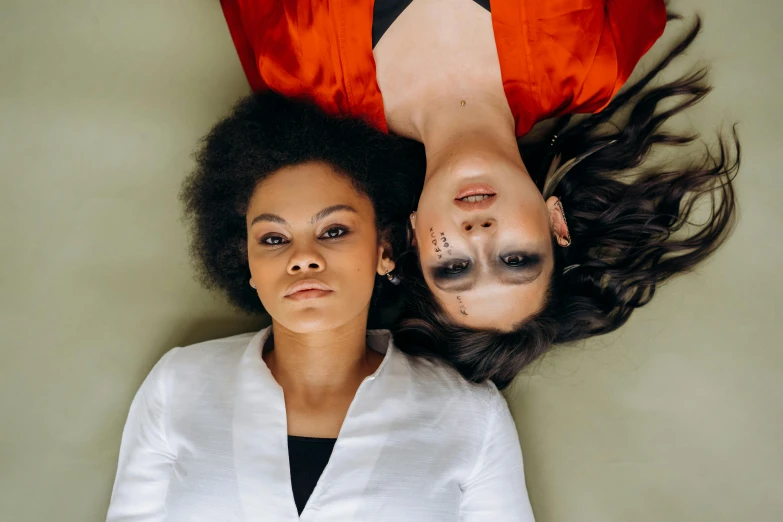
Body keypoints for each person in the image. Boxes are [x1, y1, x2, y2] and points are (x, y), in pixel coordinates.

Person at [220, 2, 739, 388]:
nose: (478, 236)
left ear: (410, 238)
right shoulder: (593, 61)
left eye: (453, 269)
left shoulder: (301, 79)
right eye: (515, 259)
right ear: (555, 223)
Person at [106, 93, 535, 521]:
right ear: (247, 264)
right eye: (274, 238)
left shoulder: (469, 417)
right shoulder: (178, 387)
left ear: (385, 249)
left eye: (333, 231)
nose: (302, 257)